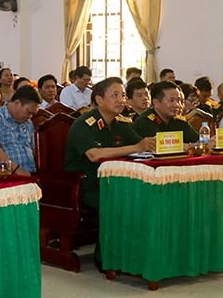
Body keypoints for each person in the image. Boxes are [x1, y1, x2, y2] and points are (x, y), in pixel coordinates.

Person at [64, 77, 155, 210]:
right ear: (99, 100)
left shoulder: (122, 124)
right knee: (124, 205)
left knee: (146, 196)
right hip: (86, 186)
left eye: (123, 95)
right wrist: (136, 148)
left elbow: (143, 145)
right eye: (115, 95)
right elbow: (94, 155)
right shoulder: (84, 124)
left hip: (114, 182)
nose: (121, 100)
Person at [0, 85, 41, 175]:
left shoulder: (28, 122)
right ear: (17, 102)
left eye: (33, 114)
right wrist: (17, 170)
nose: (30, 116)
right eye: (29, 112)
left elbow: (33, 149)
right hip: (7, 174)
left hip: (30, 172)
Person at [133, 81, 200, 145]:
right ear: (156, 102)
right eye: (172, 100)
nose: (177, 105)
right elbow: (161, 145)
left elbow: (198, 140)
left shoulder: (179, 121)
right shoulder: (145, 122)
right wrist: (189, 147)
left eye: (179, 100)